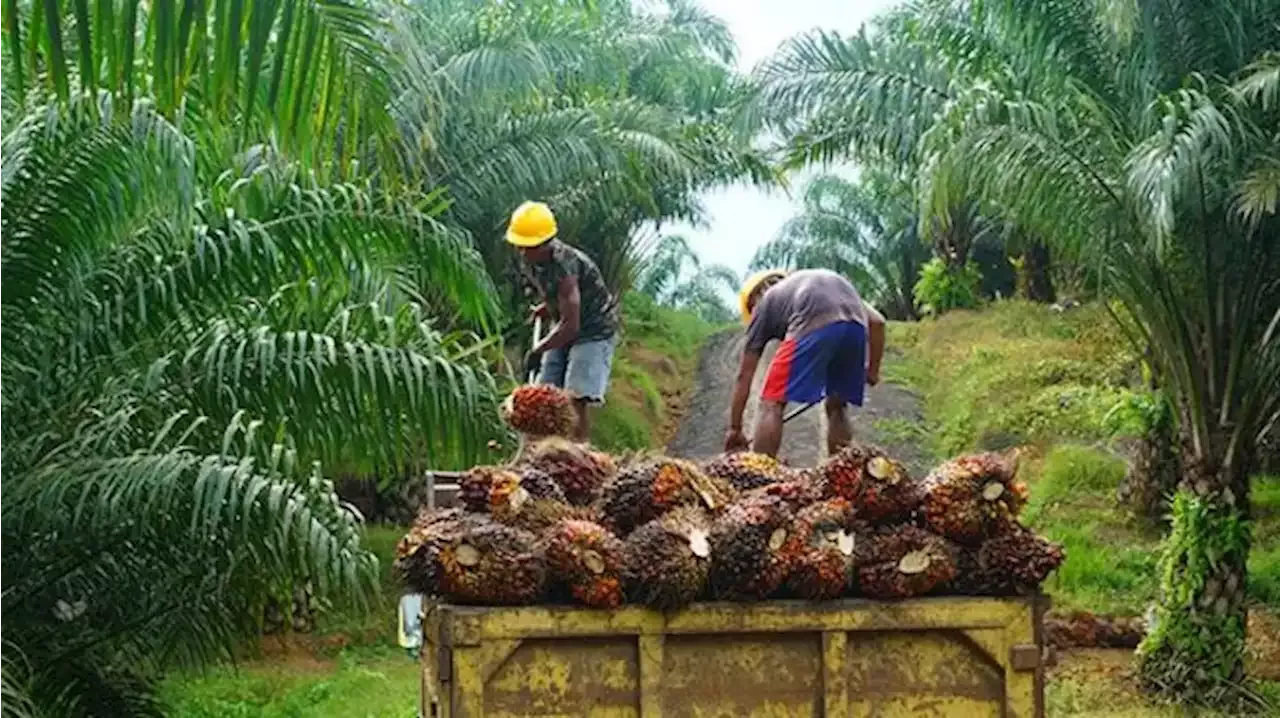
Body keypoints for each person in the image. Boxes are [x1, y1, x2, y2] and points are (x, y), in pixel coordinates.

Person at [724, 268, 886, 458]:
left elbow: (744, 375)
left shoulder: (765, 302)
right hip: (855, 326)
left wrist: (735, 428)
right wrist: (872, 370)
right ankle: (840, 476)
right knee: (837, 405)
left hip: (813, 319)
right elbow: (878, 322)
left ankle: (761, 475)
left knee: (772, 403)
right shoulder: (820, 283)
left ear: (753, 301)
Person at [507, 200, 620, 442]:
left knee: (574, 397)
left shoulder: (565, 266)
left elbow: (572, 324)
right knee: (546, 396)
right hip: (563, 326)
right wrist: (546, 309)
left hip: (592, 330)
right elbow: (557, 296)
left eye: (528, 246)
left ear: (544, 243)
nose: (522, 252)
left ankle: (578, 455)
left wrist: (539, 349)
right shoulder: (531, 259)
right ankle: (543, 457)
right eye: (520, 246)